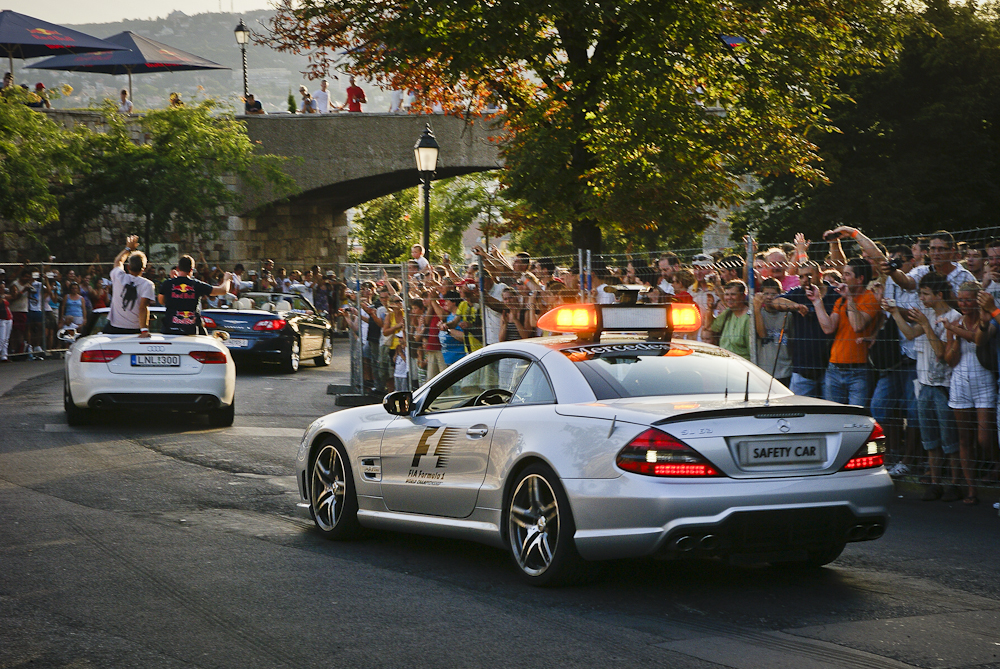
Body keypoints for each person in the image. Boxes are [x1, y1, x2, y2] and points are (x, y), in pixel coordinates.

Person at [888, 272, 961, 501]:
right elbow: (909, 334)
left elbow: (941, 353)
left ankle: (955, 483)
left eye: (925, 293)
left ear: (938, 294)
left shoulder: (954, 317)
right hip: (924, 384)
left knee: (949, 438)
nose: (921, 298)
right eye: (920, 293)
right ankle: (936, 482)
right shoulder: (926, 313)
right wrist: (893, 313)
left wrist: (926, 325)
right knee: (930, 438)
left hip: (944, 386)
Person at [941, 281, 994, 505]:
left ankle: (995, 467)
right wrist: (953, 340)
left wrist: (954, 330)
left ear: (977, 300)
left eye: (968, 299)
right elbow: (950, 360)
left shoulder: (986, 321)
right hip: (960, 382)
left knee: (984, 437)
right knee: (964, 438)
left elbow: (978, 338)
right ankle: (971, 489)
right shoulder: (954, 323)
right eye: (960, 299)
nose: (964, 303)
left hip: (984, 380)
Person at [809, 257, 880, 405]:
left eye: (847, 274)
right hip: (834, 368)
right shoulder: (840, 300)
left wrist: (850, 298)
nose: (843, 277)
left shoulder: (870, 298)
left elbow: (857, 325)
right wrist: (817, 302)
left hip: (858, 371)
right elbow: (828, 328)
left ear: (860, 279)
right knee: (835, 415)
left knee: (856, 417)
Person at [157, 255, 232, 335]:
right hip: (190, 330)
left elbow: (161, 301)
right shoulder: (196, 285)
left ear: (178, 268)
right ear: (192, 270)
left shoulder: (167, 283)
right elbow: (223, 290)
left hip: (170, 329)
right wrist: (227, 279)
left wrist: (174, 283)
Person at [107, 235, 156, 337]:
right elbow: (143, 308)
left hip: (115, 327)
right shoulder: (147, 284)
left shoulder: (118, 277)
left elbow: (118, 261)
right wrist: (144, 330)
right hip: (135, 329)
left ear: (128, 267)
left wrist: (128, 248)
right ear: (144, 268)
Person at [754, 278, 792, 386]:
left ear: (781, 295)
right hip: (765, 370)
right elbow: (762, 335)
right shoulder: (758, 314)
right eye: (766, 294)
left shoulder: (787, 315)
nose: (769, 297)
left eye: (773, 294)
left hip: (785, 369)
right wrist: (756, 309)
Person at [703, 280, 751, 359]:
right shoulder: (728, 312)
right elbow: (709, 327)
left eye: (733, 294)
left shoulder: (748, 317)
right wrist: (709, 309)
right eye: (727, 294)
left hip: (741, 365)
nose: (729, 298)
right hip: (725, 363)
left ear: (743, 296)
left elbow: (751, 351)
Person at [0, 279, 11, 362]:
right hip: (1, 318)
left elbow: (13, 296)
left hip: (8, 317)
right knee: (1, 339)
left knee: (6, 339)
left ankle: (4, 355)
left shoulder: (4, 295)